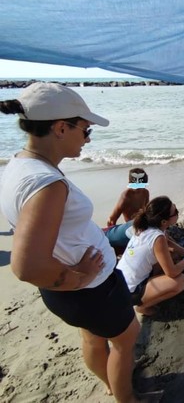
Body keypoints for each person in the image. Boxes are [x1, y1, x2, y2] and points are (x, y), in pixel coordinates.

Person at [0, 82, 141, 402]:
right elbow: (26, 266)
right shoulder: (47, 184)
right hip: (91, 290)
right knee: (125, 339)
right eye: (86, 130)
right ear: (61, 128)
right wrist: (79, 276)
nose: (87, 139)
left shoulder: (19, 165)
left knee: (92, 337)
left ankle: (109, 382)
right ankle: (127, 398)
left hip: (69, 294)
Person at [116, 196, 184, 316]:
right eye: (175, 212)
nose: (178, 213)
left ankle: (152, 289)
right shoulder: (157, 238)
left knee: (172, 255)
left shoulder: (147, 226)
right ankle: (143, 307)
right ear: (164, 221)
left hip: (120, 281)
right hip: (131, 291)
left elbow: (168, 242)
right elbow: (172, 273)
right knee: (180, 281)